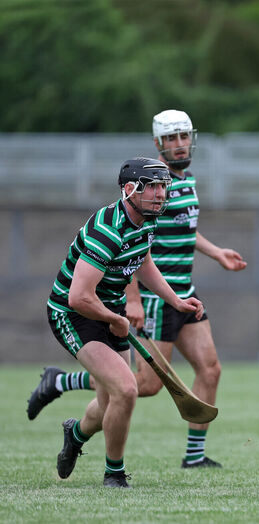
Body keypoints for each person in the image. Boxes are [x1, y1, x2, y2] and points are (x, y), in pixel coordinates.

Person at [28, 109, 247, 469]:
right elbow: (120, 258)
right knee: (139, 385)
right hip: (137, 303)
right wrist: (132, 303)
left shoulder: (181, 186)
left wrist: (215, 253)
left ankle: (193, 456)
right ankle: (63, 383)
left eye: (184, 136)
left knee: (209, 369)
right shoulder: (137, 198)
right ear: (158, 143)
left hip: (177, 292)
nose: (180, 145)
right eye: (171, 139)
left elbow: (164, 241)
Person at [46, 157, 204, 488]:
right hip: (73, 314)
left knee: (110, 402)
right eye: (153, 188)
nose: (161, 194)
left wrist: (174, 300)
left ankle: (74, 435)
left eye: (164, 187)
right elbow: (79, 298)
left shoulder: (146, 219)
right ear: (130, 190)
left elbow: (142, 260)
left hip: (108, 308)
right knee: (128, 389)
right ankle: (114, 474)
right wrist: (115, 319)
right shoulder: (108, 230)